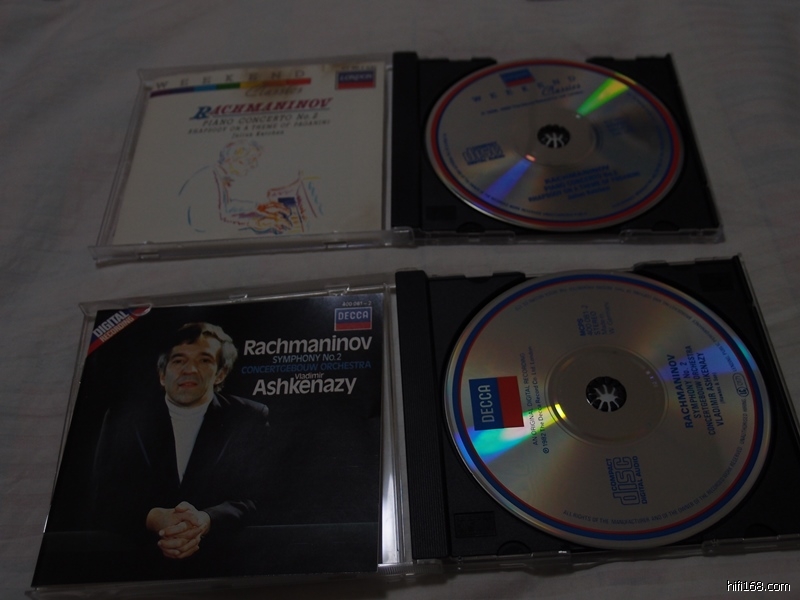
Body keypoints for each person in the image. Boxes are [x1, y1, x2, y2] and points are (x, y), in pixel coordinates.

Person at [91, 322, 270, 568]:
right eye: (179, 360)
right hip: (134, 562)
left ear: (220, 374)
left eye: (204, 360)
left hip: (221, 563)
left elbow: (257, 499)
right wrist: (155, 518)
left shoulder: (249, 417)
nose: (190, 369)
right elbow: (103, 498)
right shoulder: (124, 417)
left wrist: (206, 520)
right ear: (162, 375)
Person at [179, 139, 294, 235]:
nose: (254, 165)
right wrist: (254, 223)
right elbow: (213, 223)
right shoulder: (209, 179)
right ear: (230, 160)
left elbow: (224, 206)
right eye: (249, 160)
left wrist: (258, 207)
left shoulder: (214, 174)